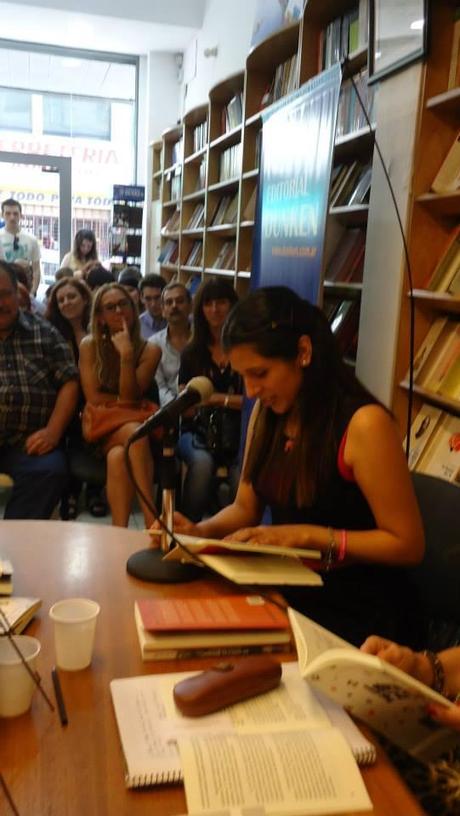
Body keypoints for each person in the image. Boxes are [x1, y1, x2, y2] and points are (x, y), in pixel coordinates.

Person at [169, 286, 425, 646]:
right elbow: (246, 507)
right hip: (294, 590)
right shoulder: (267, 411)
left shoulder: (364, 424)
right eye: (243, 375)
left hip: (361, 614)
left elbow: (407, 544)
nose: (251, 389)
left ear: (303, 352)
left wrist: (310, 536)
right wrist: (201, 530)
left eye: (260, 372)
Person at [0, 261, 79, 519]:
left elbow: (69, 380)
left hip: (30, 442)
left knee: (49, 471)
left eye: (5, 294)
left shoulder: (44, 332)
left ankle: (12, 546)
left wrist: (53, 432)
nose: (0, 303)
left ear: (19, 292)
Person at [79, 283, 161, 528]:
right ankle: (152, 521)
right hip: (99, 431)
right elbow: (94, 398)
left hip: (128, 433)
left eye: (124, 304)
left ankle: (118, 530)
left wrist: (126, 355)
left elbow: (129, 396)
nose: (119, 311)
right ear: (101, 317)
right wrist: (124, 404)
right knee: (135, 433)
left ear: (134, 309)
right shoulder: (89, 345)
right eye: (110, 307)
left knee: (118, 457)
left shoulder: (151, 349)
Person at [177, 278, 243, 521]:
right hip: (197, 431)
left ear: (233, 305)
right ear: (200, 308)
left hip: (239, 433)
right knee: (202, 464)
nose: (215, 309)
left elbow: (253, 402)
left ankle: (237, 542)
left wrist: (215, 399)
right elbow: (186, 404)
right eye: (208, 303)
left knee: (242, 475)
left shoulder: (246, 349)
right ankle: (186, 530)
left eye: (222, 302)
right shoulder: (192, 352)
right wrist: (231, 400)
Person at [45, 278, 98, 519]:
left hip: (99, 397)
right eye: (61, 299)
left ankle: (96, 491)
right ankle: (71, 492)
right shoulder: (52, 331)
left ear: (85, 298)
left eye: (71, 296)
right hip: (66, 399)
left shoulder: (100, 326)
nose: (66, 302)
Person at [150, 282, 192, 406]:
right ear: (163, 310)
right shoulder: (154, 344)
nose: (174, 306)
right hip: (168, 409)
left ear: (190, 306)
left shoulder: (203, 339)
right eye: (169, 302)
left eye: (180, 301)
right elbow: (159, 387)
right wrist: (178, 407)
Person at [0, 199, 41, 295]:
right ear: (2, 215)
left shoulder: (31, 239)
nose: (12, 217)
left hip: (27, 287)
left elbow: (36, 269)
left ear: (21, 215)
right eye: (8, 213)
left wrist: (32, 292)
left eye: (15, 214)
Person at [139, 273, 167, 339]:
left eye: (157, 298)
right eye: (148, 299)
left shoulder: (175, 321)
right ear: (141, 298)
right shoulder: (136, 326)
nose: (153, 304)